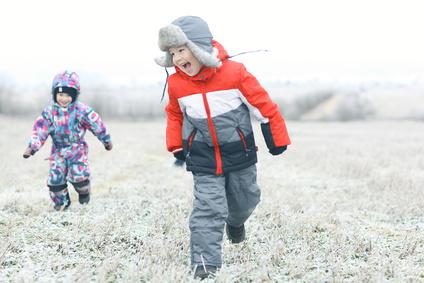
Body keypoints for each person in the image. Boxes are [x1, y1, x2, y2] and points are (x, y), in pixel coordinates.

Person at [155, 16, 291, 279]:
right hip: (203, 157)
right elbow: (174, 114)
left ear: (197, 46)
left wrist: (276, 137)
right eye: (173, 53)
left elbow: (263, 106)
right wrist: (176, 145)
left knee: (245, 200)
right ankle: (205, 264)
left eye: (182, 50)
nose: (178, 58)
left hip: (239, 154)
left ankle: (236, 222)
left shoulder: (234, 73)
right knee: (208, 209)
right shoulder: (176, 84)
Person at [23, 71, 112, 211]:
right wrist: (32, 147)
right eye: (60, 95)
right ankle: (61, 204)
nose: (64, 98)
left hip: (77, 150)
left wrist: (106, 140)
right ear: (54, 94)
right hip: (58, 151)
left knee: (79, 176)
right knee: (55, 180)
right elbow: (40, 131)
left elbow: (96, 124)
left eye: (68, 95)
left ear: (74, 95)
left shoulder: (81, 111)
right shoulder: (49, 113)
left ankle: (84, 192)